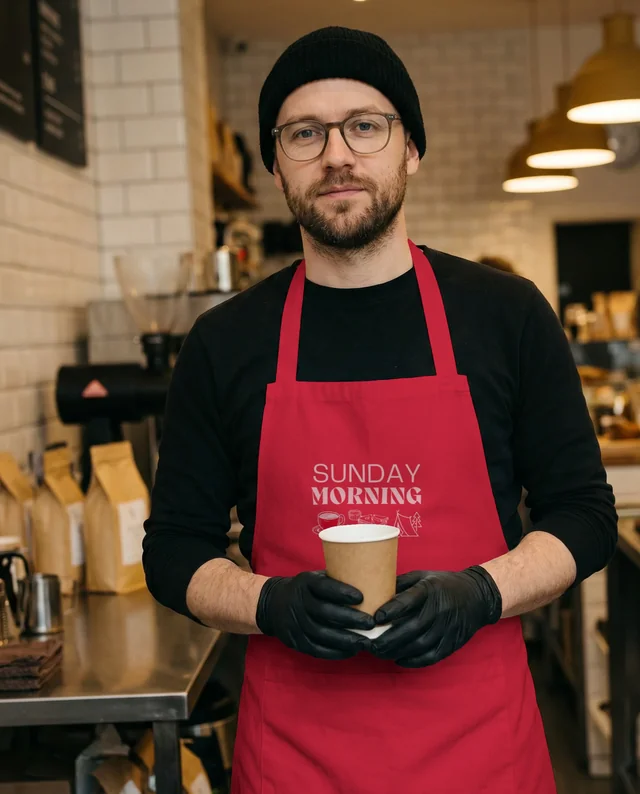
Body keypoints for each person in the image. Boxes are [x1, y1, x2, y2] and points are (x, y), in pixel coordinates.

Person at [143, 26, 617, 794]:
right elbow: (172, 551)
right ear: (275, 166)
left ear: (410, 150)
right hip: (296, 755)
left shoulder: (506, 315)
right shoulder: (224, 342)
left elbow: (584, 516)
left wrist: (483, 592)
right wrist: (269, 603)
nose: (337, 154)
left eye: (365, 125)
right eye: (304, 133)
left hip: (481, 749)